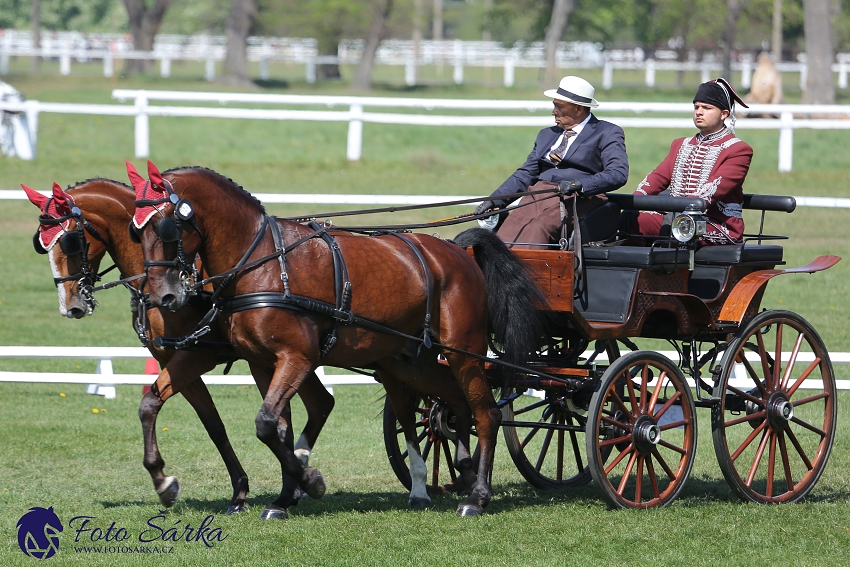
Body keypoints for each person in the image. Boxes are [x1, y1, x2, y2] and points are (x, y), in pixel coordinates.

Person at [475, 75, 628, 248]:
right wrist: (495, 200)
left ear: (578, 109)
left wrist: (579, 184)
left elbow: (617, 173)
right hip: (539, 194)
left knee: (538, 227)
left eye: (559, 106)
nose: (553, 111)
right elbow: (525, 174)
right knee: (509, 227)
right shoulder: (546, 134)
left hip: (580, 198)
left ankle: (529, 274)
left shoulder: (607, 132)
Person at [631, 78, 752, 246]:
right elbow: (658, 177)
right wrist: (634, 202)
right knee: (630, 221)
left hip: (715, 225)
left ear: (724, 114)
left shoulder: (738, 150)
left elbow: (713, 190)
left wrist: (679, 210)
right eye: (696, 107)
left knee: (680, 230)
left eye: (707, 108)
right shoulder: (680, 144)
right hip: (677, 219)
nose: (699, 112)